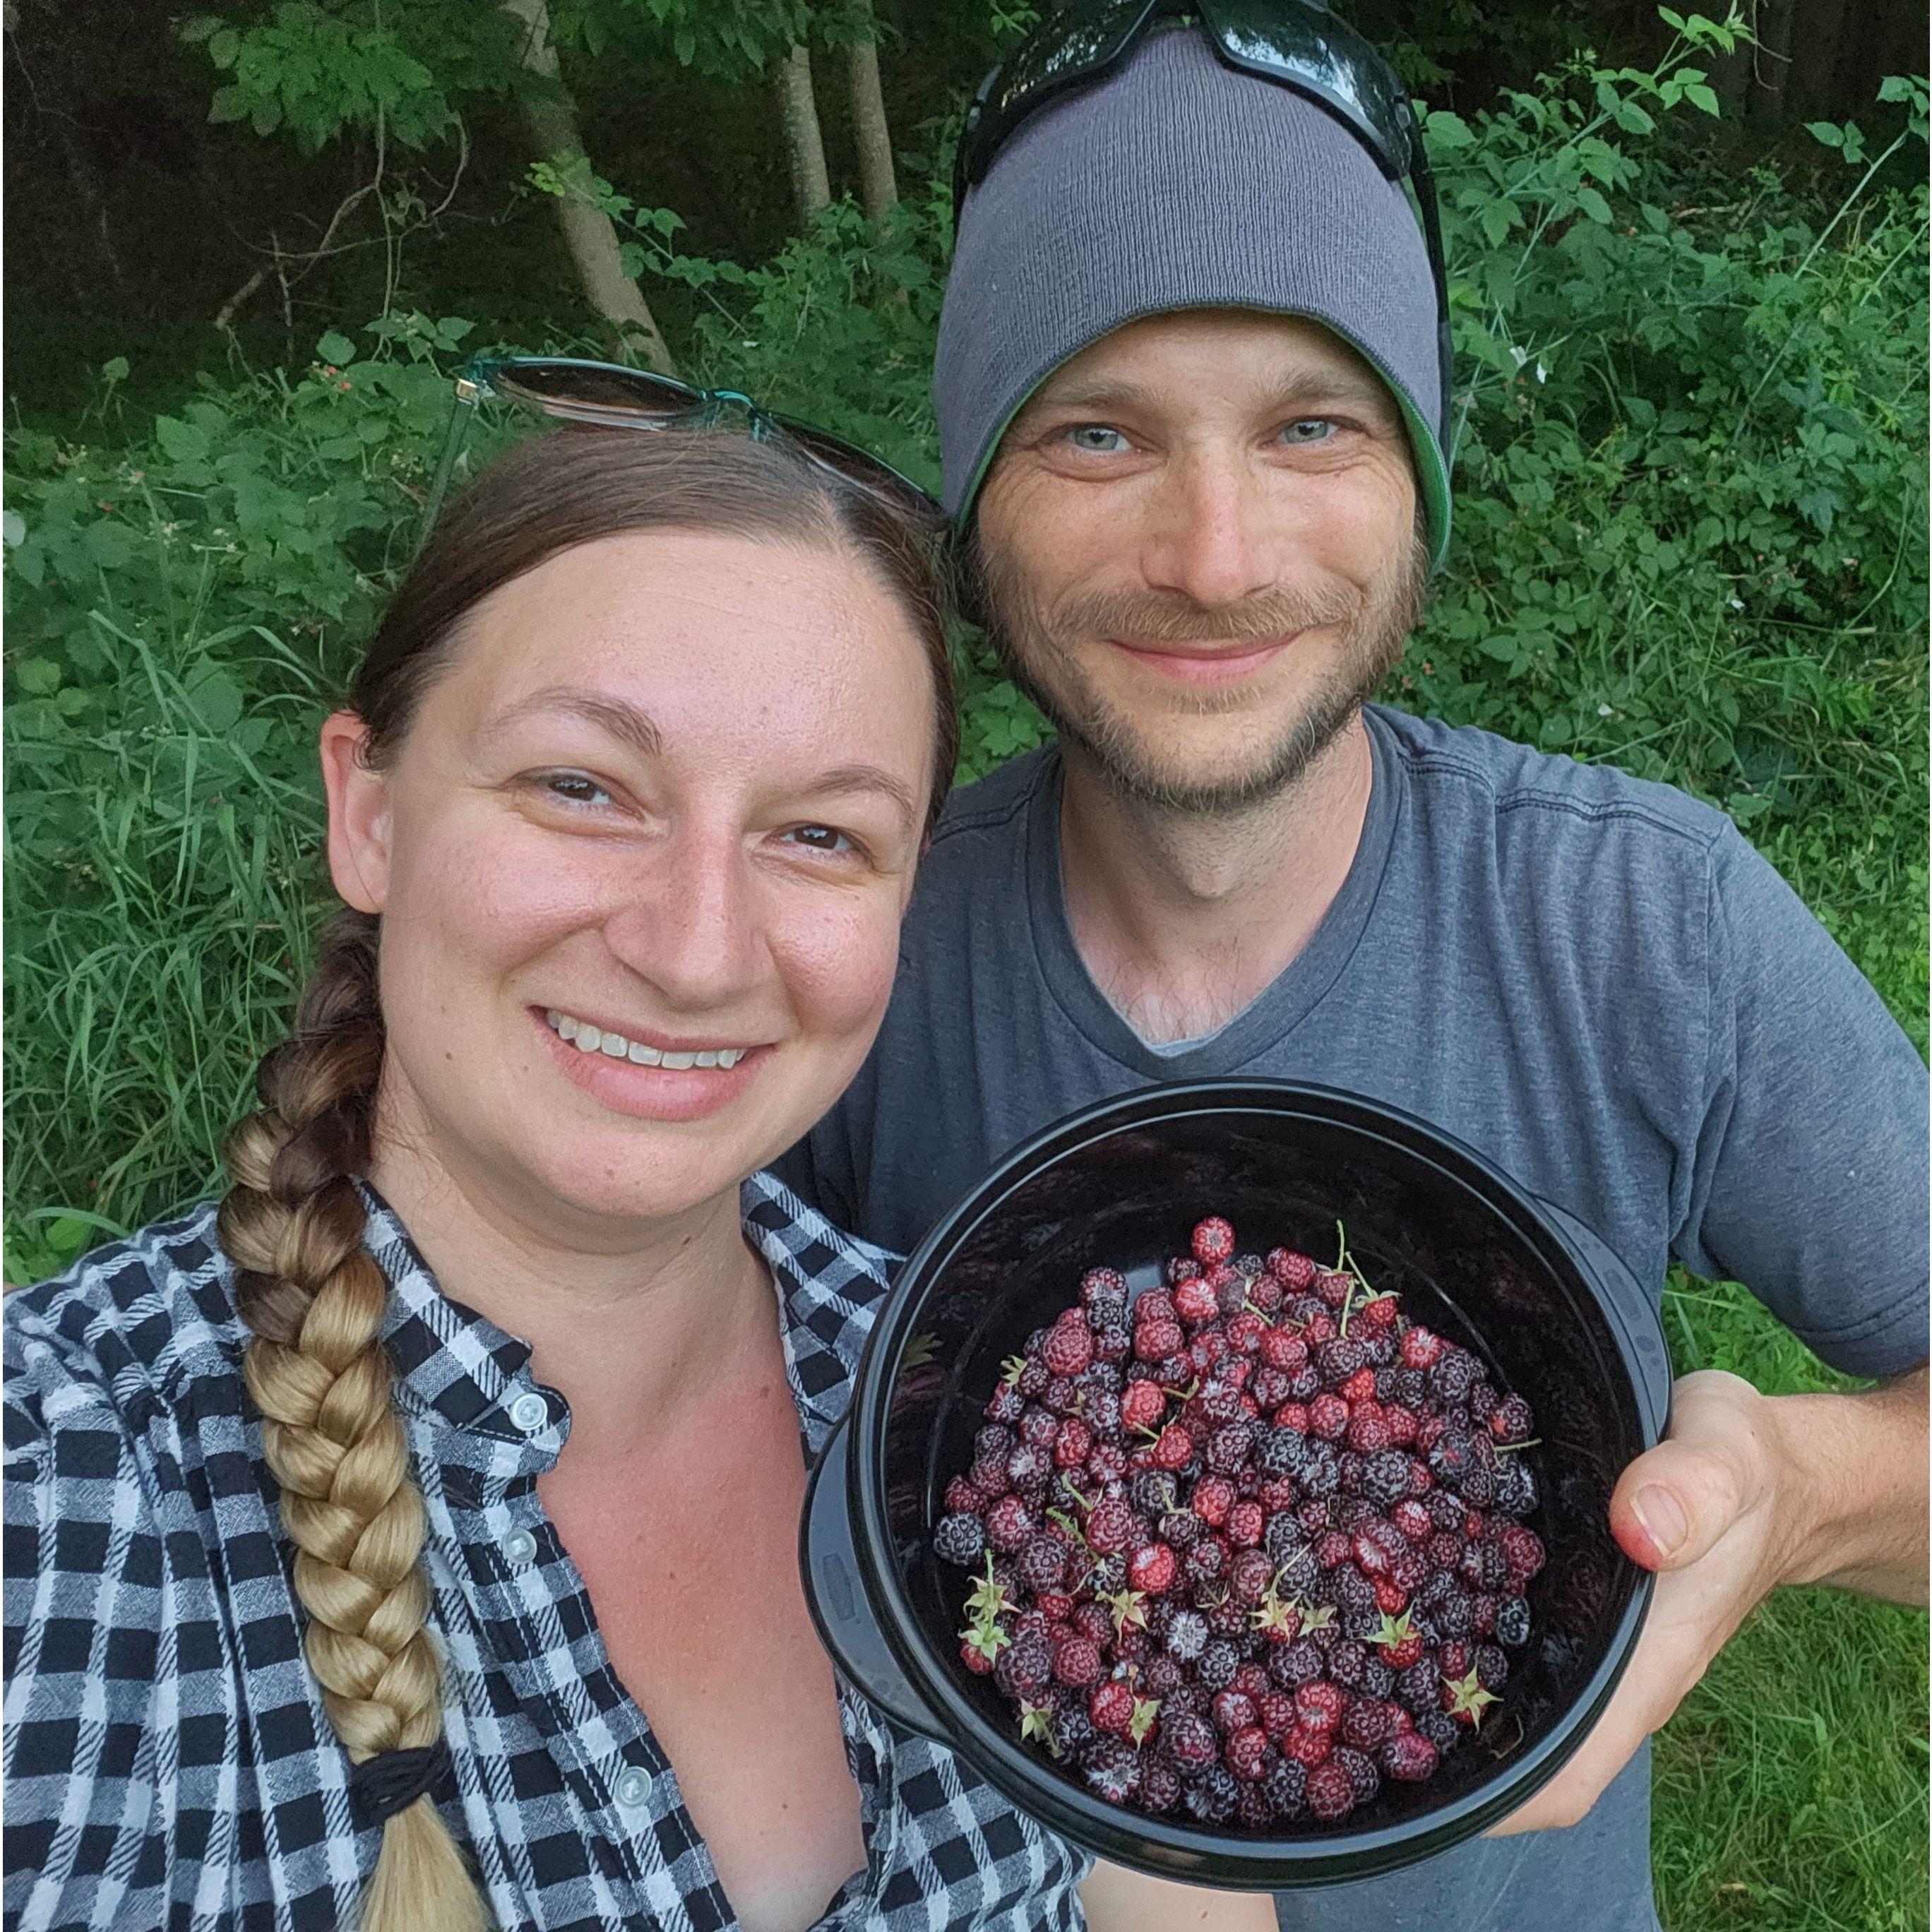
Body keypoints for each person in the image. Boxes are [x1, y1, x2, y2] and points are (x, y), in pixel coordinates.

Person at [776, 14, 1931, 1932]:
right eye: (1096, 429)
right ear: (974, 495)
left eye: (1315, 422)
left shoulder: (1647, 925)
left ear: (1420, 480)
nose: (1215, 556)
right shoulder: (836, 961)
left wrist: (1806, 1494)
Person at [3, 417, 1273, 1932]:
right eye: (582, 787)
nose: (695, 949)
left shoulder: (1021, 1424)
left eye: (818, 834)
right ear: (373, 812)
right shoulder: (65, 1500)